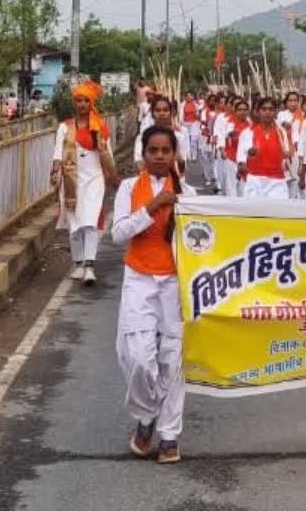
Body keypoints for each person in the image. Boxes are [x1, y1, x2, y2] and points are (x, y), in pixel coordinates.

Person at [111, 126, 196, 465]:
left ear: (175, 154)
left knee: (172, 361)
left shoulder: (188, 192)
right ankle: (146, 415)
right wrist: (152, 207)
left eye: (166, 150)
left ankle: (169, 434)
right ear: (143, 155)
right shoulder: (130, 189)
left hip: (175, 283)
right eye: (153, 150)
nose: (160, 156)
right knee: (138, 358)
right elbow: (118, 234)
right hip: (139, 279)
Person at [51, 81, 119, 286]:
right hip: (71, 180)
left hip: (94, 178)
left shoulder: (99, 128)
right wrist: (56, 170)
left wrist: (112, 177)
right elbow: (58, 153)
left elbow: (108, 154)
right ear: (74, 103)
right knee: (75, 225)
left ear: (91, 103)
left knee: (89, 221)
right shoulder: (65, 127)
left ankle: (89, 266)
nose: (81, 104)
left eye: (85, 101)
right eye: (78, 100)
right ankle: (78, 263)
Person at [239, 97, 290, 200]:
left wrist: (286, 162)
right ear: (258, 112)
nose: (267, 112)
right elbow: (242, 158)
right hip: (255, 180)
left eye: (271, 109)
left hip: (277, 181)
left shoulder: (281, 132)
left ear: (275, 112)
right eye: (264, 109)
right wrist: (249, 155)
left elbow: (285, 155)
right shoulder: (248, 132)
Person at [135, 96, 189, 176]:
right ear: (152, 114)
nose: (161, 113)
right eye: (157, 110)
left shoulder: (179, 137)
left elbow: (182, 168)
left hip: (174, 184)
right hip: (149, 183)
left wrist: (177, 155)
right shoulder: (143, 137)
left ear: (171, 113)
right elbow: (139, 164)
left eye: (165, 110)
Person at [220, 99, 251, 197]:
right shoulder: (229, 123)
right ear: (235, 111)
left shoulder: (251, 125)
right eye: (240, 110)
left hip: (246, 162)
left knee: (244, 189)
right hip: (231, 159)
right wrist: (222, 150)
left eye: (245, 110)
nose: (242, 112)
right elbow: (223, 136)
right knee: (231, 188)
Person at [276, 92, 303, 198]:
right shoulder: (282, 115)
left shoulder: (303, 115)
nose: (293, 103)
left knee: (300, 179)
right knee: (289, 180)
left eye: (295, 100)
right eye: (290, 101)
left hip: (301, 152)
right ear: (286, 103)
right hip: (288, 152)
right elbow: (284, 127)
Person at [181, 91, 202, 164]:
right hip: (185, 123)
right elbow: (181, 115)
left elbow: (199, 114)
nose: (189, 97)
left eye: (190, 96)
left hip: (194, 123)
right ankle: (188, 154)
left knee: (193, 139)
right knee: (186, 140)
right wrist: (181, 123)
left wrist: (198, 116)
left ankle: (194, 155)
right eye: (188, 96)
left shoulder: (196, 104)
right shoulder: (182, 104)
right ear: (185, 97)